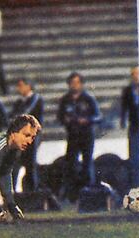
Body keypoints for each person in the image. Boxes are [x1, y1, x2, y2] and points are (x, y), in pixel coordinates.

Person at [57, 72, 102, 200]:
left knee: (87, 163)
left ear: (81, 84)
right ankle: (73, 194)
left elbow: (98, 116)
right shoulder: (65, 100)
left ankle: (90, 193)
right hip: (72, 135)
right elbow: (60, 116)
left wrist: (87, 120)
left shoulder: (88, 99)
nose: (74, 85)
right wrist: (65, 120)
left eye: (77, 83)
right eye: (72, 83)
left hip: (86, 134)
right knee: (71, 163)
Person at [10, 78, 44, 192]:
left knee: (30, 165)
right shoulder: (19, 102)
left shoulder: (36, 100)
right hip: (20, 137)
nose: (19, 89)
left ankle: (32, 192)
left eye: (21, 85)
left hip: (31, 137)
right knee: (16, 164)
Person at [120, 67, 139, 188]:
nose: (136, 76)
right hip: (134, 126)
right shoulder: (128, 90)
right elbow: (124, 107)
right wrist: (123, 121)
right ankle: (136, 184)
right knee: (134, 158)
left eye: (138, 74)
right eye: (134, 74)